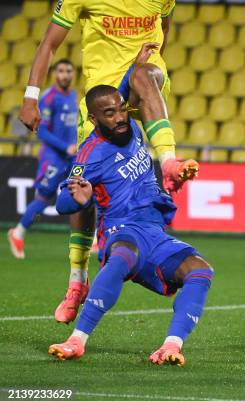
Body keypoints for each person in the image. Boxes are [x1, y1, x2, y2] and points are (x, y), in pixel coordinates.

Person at [18, 0, 198, 324]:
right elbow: (49, 42)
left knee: (145, 73)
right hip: (103, 98)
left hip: (141, 80)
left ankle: (169, 162)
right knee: (83, 186)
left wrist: (153, 69)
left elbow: (165, 27)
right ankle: (77, 279)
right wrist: (31, 96)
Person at [48, 85, 212, 366]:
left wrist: (141, 61)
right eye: (109, 113)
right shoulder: (91, 155)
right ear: (93, 120)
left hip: (155, 233)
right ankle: (76, 340)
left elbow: (129, 83)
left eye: (121, 108)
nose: (120, 117)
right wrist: (80, 199)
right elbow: (63, 201)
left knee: (201, 270)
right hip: (121, 230)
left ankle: (171, 346)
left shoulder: (131, 127)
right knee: (123, 254)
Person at [8, 59, 77, 259]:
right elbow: (42, 131)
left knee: (85, 191)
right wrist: (66, 147)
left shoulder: (72, 95)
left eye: (68, 71)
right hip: (54, 158)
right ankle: (18, 233)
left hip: (72, 157)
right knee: (44, 197)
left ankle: (94, 240)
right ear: (55, 73)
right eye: (61, 71)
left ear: (73, 74)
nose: (65, 75)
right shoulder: (48, 98)